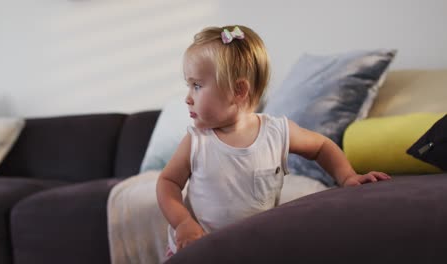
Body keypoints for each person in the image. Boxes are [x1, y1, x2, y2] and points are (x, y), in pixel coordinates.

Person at [156, 25, 391, 258]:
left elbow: (321, 146)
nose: (187, 98)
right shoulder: (197, 142)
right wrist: (183, 222)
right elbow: (168, 182)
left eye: (196, 86)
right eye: (189, 86)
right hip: (199, 251)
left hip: (254, 250)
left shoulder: (277, 132)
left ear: (238, 91)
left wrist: (347, 176)